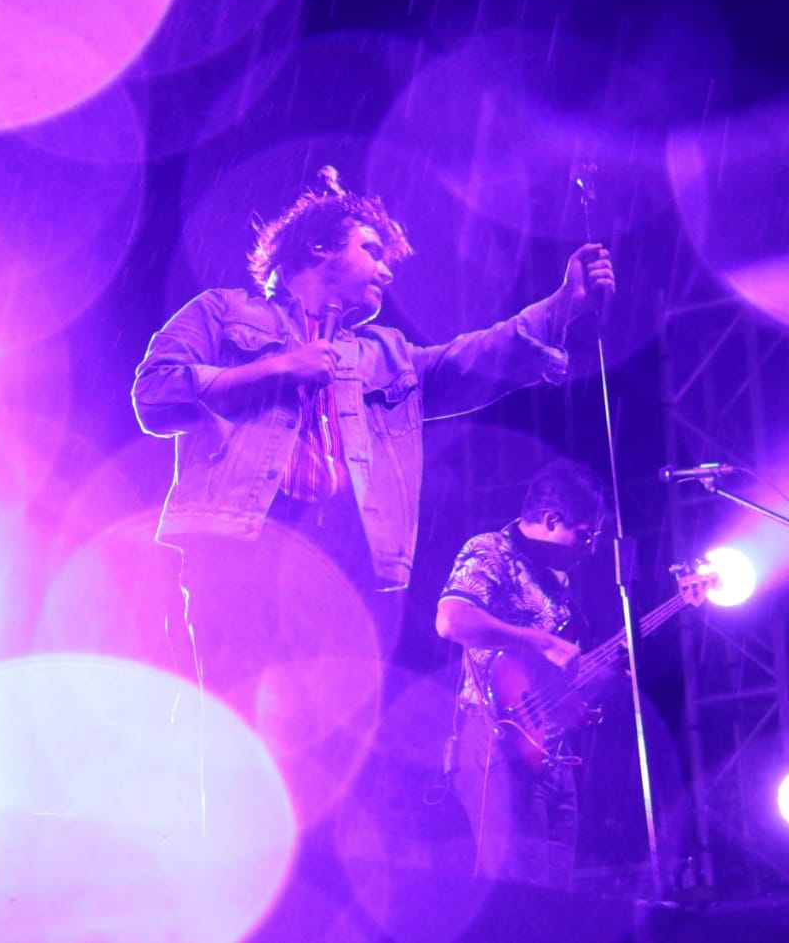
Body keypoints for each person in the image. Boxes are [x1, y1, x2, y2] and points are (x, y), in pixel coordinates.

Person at [131, 166, 614, 810]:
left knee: (332, 751)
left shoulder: (385, 353)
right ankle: (234, 857)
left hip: (345, 566)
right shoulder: (223, 312)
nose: (386, 269)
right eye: (373, 250)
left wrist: (562, 306)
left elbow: (475, 357)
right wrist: (278, 368)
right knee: (237, 732)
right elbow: (154, 393)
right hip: (240, 548)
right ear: (319, 247)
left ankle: (312, 863)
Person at [434, 458, 607, 890]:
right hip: (496, 744)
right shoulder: (489, 551)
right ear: (550, 520)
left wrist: (573, 700)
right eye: (585, 534)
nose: (590, 547)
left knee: (555, 903)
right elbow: (451, 621)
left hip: (552, 755)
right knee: (514, 898)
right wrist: (541, 641)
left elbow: (543, 678)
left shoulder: (556, 580)